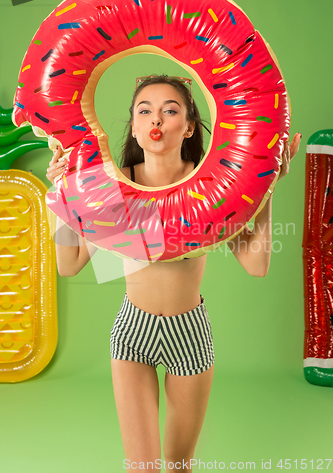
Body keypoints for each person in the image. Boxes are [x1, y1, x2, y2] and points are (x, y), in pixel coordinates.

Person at [46, 75, 301, 473]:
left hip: (190, 333)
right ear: (134, 126)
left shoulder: (212, 185)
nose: (157, 119)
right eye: (145, 110)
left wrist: (267, 189)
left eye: (170, 110)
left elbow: (256, 265)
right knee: (142, 468)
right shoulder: (114, 184)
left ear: (189, 125)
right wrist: (63, 194)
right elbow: (69, 263)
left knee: (179, 465)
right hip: (133, 330)